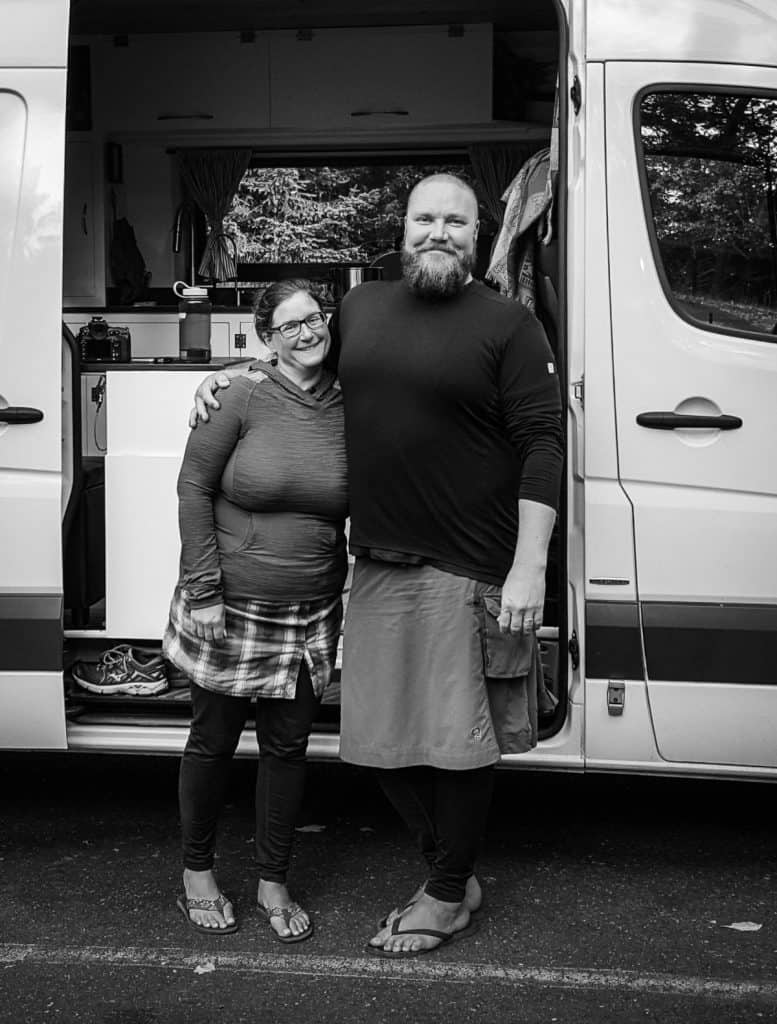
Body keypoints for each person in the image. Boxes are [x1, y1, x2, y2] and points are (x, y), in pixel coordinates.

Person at [191, 173, 564, 957]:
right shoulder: (361, 309)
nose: (438, 231)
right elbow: (312, 379)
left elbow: (541, 446)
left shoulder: (510, 327)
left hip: (468, 563)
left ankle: (444, 890)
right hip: (377, 562)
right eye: (424, 218)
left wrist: (529, 565)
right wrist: (232, 377)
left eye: (454, 221)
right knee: (374, 738)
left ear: (477, 233)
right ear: (403, 228)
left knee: (456, 742)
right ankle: (452, 872)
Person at [168, 279, 347, 942]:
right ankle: (196, 873)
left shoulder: (346, 398)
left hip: (311, 607)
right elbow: (192, 488)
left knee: (287, 745)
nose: (307, 333)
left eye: (315, 319)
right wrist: (204, 590)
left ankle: (274, 877)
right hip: (231, 601)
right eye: (290, 325)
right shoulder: (239, 392)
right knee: (212, 741)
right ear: (266, 336)